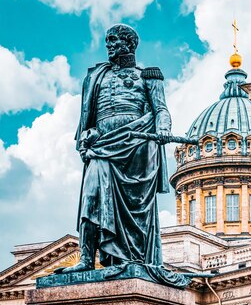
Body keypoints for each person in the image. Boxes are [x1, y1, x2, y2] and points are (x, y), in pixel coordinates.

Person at [55, 24, 187, 287]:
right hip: (102, 146)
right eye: (107, 40)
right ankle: (85, 258)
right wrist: (87, 134)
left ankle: (132, 257)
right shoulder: (96, 77)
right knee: (91, 197)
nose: (109, 45)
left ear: (130, 43)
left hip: (136, 148)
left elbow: (161, 110)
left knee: (135, 210)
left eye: (114, 40)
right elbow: (88, 118)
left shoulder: (148, 76)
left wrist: (162, 129)